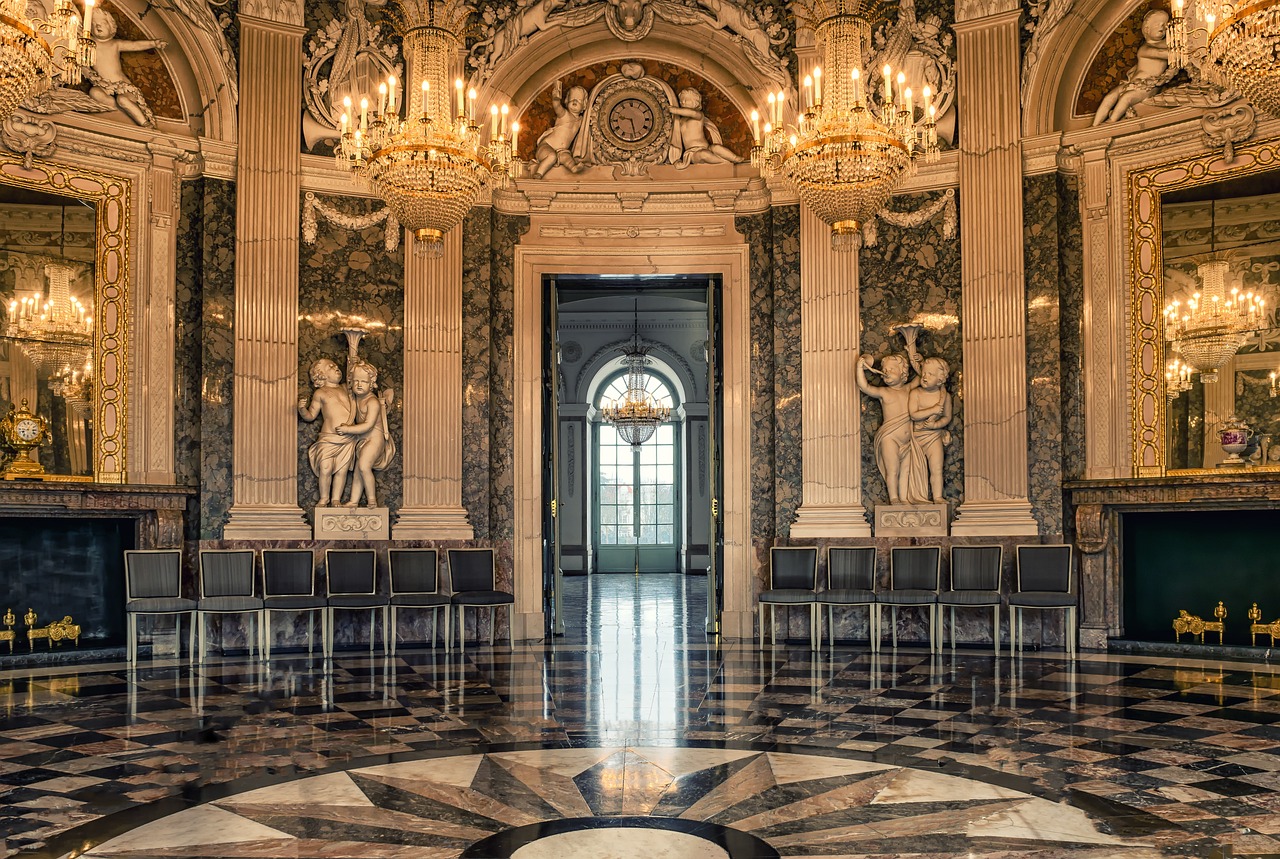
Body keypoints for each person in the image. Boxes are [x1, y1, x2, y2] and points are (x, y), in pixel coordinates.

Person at [857, 352, 929, 505]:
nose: (886, 373)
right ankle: (894, 498)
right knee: (893, 470)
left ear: (903, 373)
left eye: (891, 369)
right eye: (884, 370)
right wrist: (859, 367)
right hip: (889, 438)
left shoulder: (909, 389)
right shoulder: (884, 392)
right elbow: (864, 387)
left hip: (908, 440)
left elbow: (923, 377)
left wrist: (921, 362)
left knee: (906, 471)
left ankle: (904, 498)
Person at [84, 8, 167, 127]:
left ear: (111, 27)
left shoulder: (115, 44)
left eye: (102, 23)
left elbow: (134, 45)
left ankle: (144, 122)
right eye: (94, 24)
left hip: (123, 86)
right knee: (94, 92)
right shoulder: (88, 43)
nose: (97, 26)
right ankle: (118, 112)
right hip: (103, 86)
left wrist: (154, 43)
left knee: (123, 100)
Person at [1092, 9, 1176, 126]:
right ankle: (1095, 125)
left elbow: (1170, 54)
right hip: (1132, 83)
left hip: (1148, 86)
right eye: (1158, 24)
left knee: (1126, 98)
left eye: (1165, 24)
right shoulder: (1144, 49)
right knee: (1110, 97)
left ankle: (1111, 121)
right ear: (1147, 29)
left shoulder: (1165, 44)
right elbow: (1164, 54)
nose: (1162, 27)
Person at [336, 360, 396, 508]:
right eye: (355, 381)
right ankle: (354, 501)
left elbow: (368, 426)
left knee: (363, 466)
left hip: (375, 438)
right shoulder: (355, 398)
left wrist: (348, 429)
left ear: (372, 383)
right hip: (362, 440)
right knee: (358, 470)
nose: (359, 384)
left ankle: (372, 500)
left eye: (363, 381)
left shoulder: (372, 402)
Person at [298, 359, 355, 507]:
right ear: (321, 375)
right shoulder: (320, 393)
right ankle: (324, 498)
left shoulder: (346, 388)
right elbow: (311, 416)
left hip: (347, 438)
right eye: (331, 366)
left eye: (336, 365)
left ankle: (336, 498)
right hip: (328, 438)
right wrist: (302, 409)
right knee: (325, 468)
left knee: (342, 471)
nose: (336, 367)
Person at [909, 356, 952, 503]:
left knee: (936, 468)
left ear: (940, 380)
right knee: (915, 470)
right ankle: (917, 496)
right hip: (916, 437)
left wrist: (935, 425)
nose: (925, 376)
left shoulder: (944, 396)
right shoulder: (916, 393)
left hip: (933, 437)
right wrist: (932, 410)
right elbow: (914, 415)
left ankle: (937, 496)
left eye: (930, 374)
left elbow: (947, 417)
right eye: (924, 373)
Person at [669, 88, 742, 168]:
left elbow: (692, 113)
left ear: (695, 102)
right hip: (692, 153)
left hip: (706, 147)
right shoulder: (681, 120)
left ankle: (735, 158)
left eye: (686, 100)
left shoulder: (699, 115)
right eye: (681, 100)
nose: (682, 102)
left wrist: (674, 110)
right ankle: (724, 162)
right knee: (703, 154)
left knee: (716, 147)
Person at [534, 81, 589, 177]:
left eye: (579, 100)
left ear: (584, 105)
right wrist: (555, 99)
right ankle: (539, 173)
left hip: (561, 150)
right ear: (567, 101)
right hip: (546, 146)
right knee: (551, 156)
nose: (575, 102)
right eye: (572, 99)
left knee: (567, 158)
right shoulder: (564, 114)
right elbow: (557, 107)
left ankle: (574, 168)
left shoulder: (581, 120)